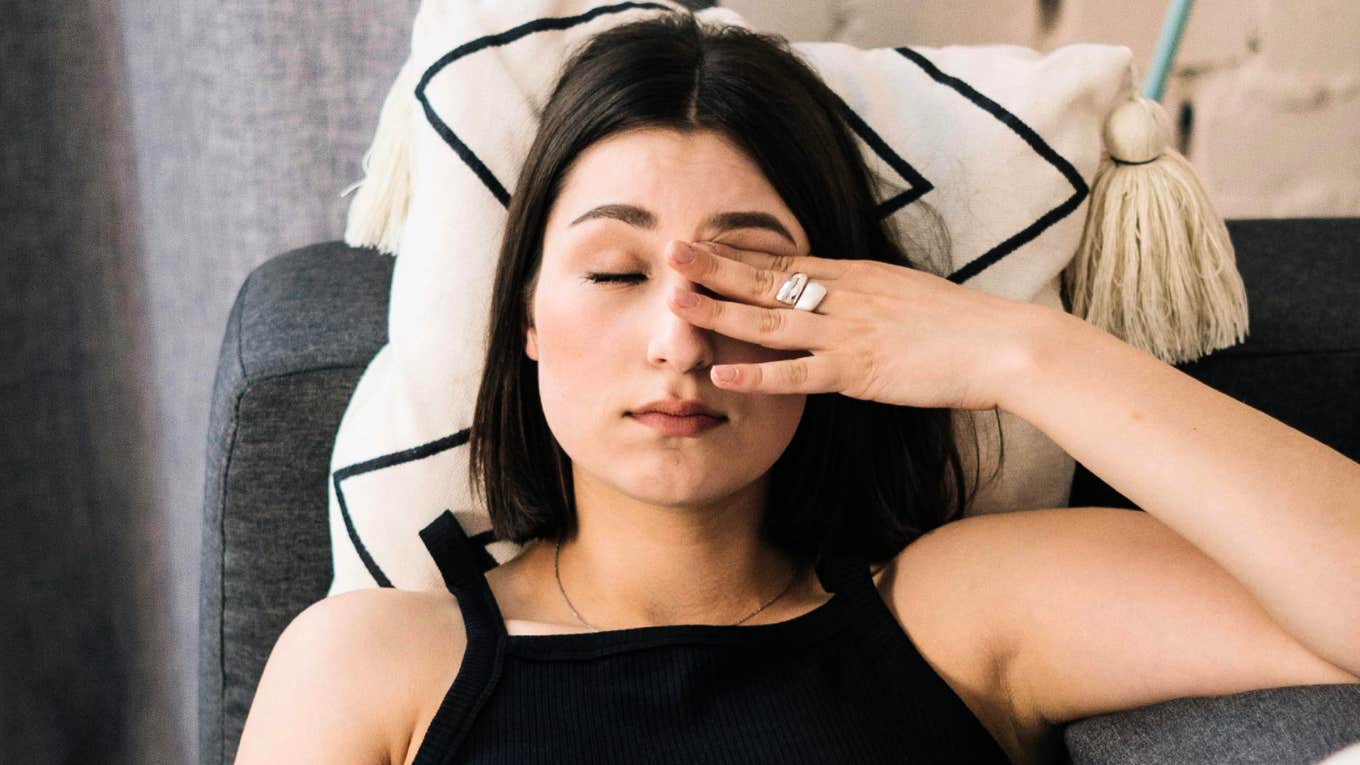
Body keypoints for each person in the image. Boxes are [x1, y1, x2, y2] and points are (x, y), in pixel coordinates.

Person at [235, 12, 1360, 765]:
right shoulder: (373, 662)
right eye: (615, 272)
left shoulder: (958, 616)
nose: (677, 338)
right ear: (524, 316)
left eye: (751, 279)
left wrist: (1015, 352)